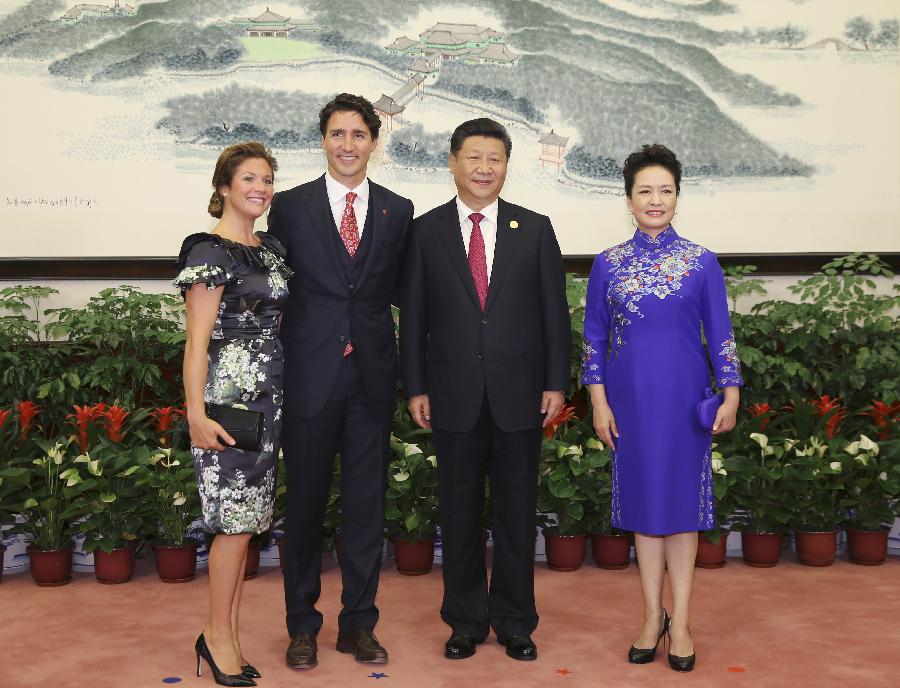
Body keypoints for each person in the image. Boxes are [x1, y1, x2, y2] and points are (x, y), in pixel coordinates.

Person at [400, 118, 571, 662]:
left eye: (494, 159)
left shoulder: (535, 228)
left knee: (517, 514)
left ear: (506, 166)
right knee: (459, 513)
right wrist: (416, 386)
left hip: (521, 394)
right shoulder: (425, 232)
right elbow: (414, 318)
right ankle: (466, 620)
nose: (483, 168)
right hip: (452, 394)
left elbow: (554, 316)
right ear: (453, 162)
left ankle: (516, 620)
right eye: (473, 157)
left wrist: (555, 383)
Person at [581, 144, 743, 672]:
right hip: (629, 406)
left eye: (665, 191)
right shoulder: (608, 263)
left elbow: (721, 334)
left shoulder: (702, 262)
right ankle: (652, 617)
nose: (656, 200)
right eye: (645, 191)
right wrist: (599, 404)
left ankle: (685, 622)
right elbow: (594, 341)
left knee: (682, 514)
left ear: (678, 196)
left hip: (684, 403)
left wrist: (732, 391)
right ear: (628, 199)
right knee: (644, 513)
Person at [268, 93, 414, 670]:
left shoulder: (397, 211)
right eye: (337, 134)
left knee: (365, 509)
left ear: (374, 142)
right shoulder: (291, 207)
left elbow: (405, 293)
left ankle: (359, 624)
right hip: (309, 377)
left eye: (358, 134)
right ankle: (301, 626)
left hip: (371, 380)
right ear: (323, 140)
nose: (347, 145)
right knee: (303, 507)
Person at [175, 141, 292, 687]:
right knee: (233, 527)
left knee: (245, 528)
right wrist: (195, 414)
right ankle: (216, 638)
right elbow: (195, 343)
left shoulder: (270, 250)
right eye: (248, 178)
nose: (260, 188)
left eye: (267, 179)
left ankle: (227, 635)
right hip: (228, 409)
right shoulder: (207, 251)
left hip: (270, 405)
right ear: (223, 186)